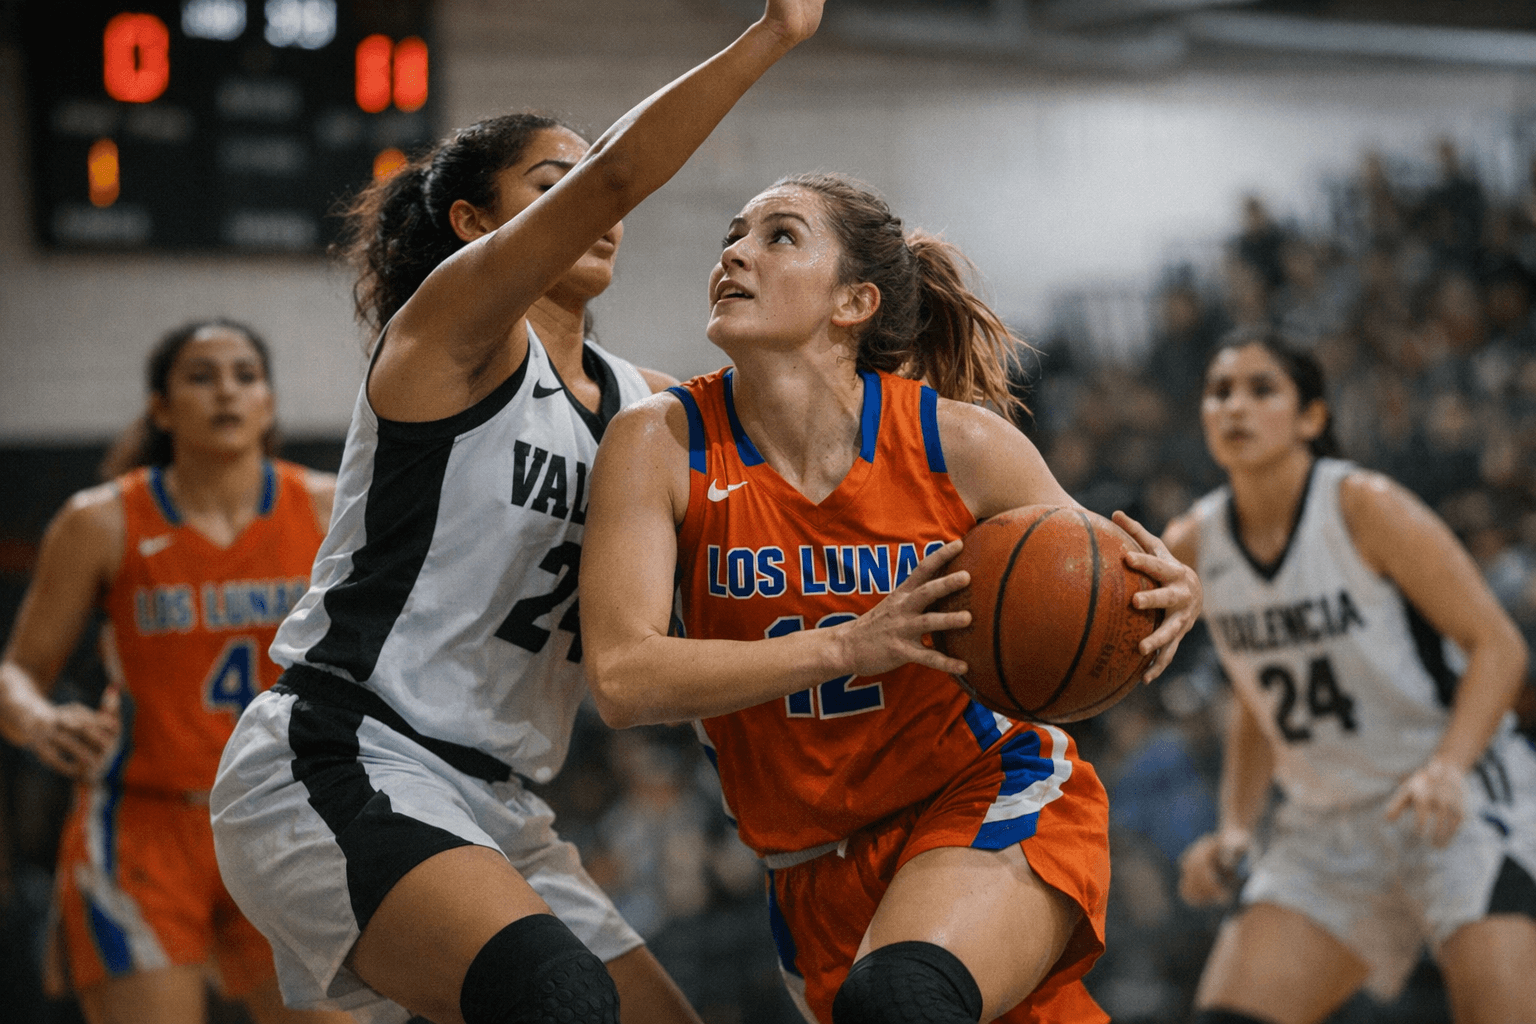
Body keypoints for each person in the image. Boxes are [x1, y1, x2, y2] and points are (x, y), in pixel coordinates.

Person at [208, 4, 826, 1024]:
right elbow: (621, 175)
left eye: (586, 185)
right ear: (474, 227)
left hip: (502, 804)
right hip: (346, 754)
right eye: (556, 185)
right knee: (555, 997)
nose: (597, 207)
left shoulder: (653, 409)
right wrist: (773, 32)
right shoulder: (448, 338)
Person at [578, 172, 1204, 1024]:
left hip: (980, 793)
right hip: (809, 871)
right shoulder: (658, 440)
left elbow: (1101, 589)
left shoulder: (961, 444)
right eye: (733, 234)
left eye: (780, 236)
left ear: (854, 301)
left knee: (901, 1001)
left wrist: (1170, 595)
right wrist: (844, 646)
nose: (734, 251)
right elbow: (621, 676)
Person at [1165, 327, 1536, 1024]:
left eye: (1260, 389)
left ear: (1312, 417)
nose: (1233, 407)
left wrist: (1450, 766)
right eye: (1219, 393)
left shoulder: (1364, 506)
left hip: (1451, 805)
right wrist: (1237, 829)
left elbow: (1499, 647)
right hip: (1325, 833)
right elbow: (1254, 703)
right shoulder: (1192, 542)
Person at [0, 319, 348, 1024]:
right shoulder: (101, 522)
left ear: (269, 404)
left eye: (246, 375)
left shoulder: (324, 506)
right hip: (145, 828)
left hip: (286, 818)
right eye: (200, 375)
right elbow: (19, 671)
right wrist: (39, 720)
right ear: (160, 408)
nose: (226, 390)